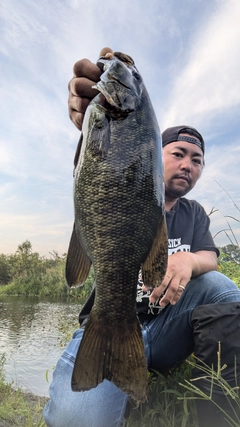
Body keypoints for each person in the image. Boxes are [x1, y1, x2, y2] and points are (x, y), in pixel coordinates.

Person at [44, 49, 240, 427]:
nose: (188, 165)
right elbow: (90, 164)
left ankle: (220, 411)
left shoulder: (194, 212)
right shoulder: (111, 137)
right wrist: (89, 124)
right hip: (110, 319)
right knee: (76, 421)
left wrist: (189, 260)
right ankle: (116, 375)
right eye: (179, 153)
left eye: (197, 160)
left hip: (168, 330)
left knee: (224, 289)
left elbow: (211, 258)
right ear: (155, 154)